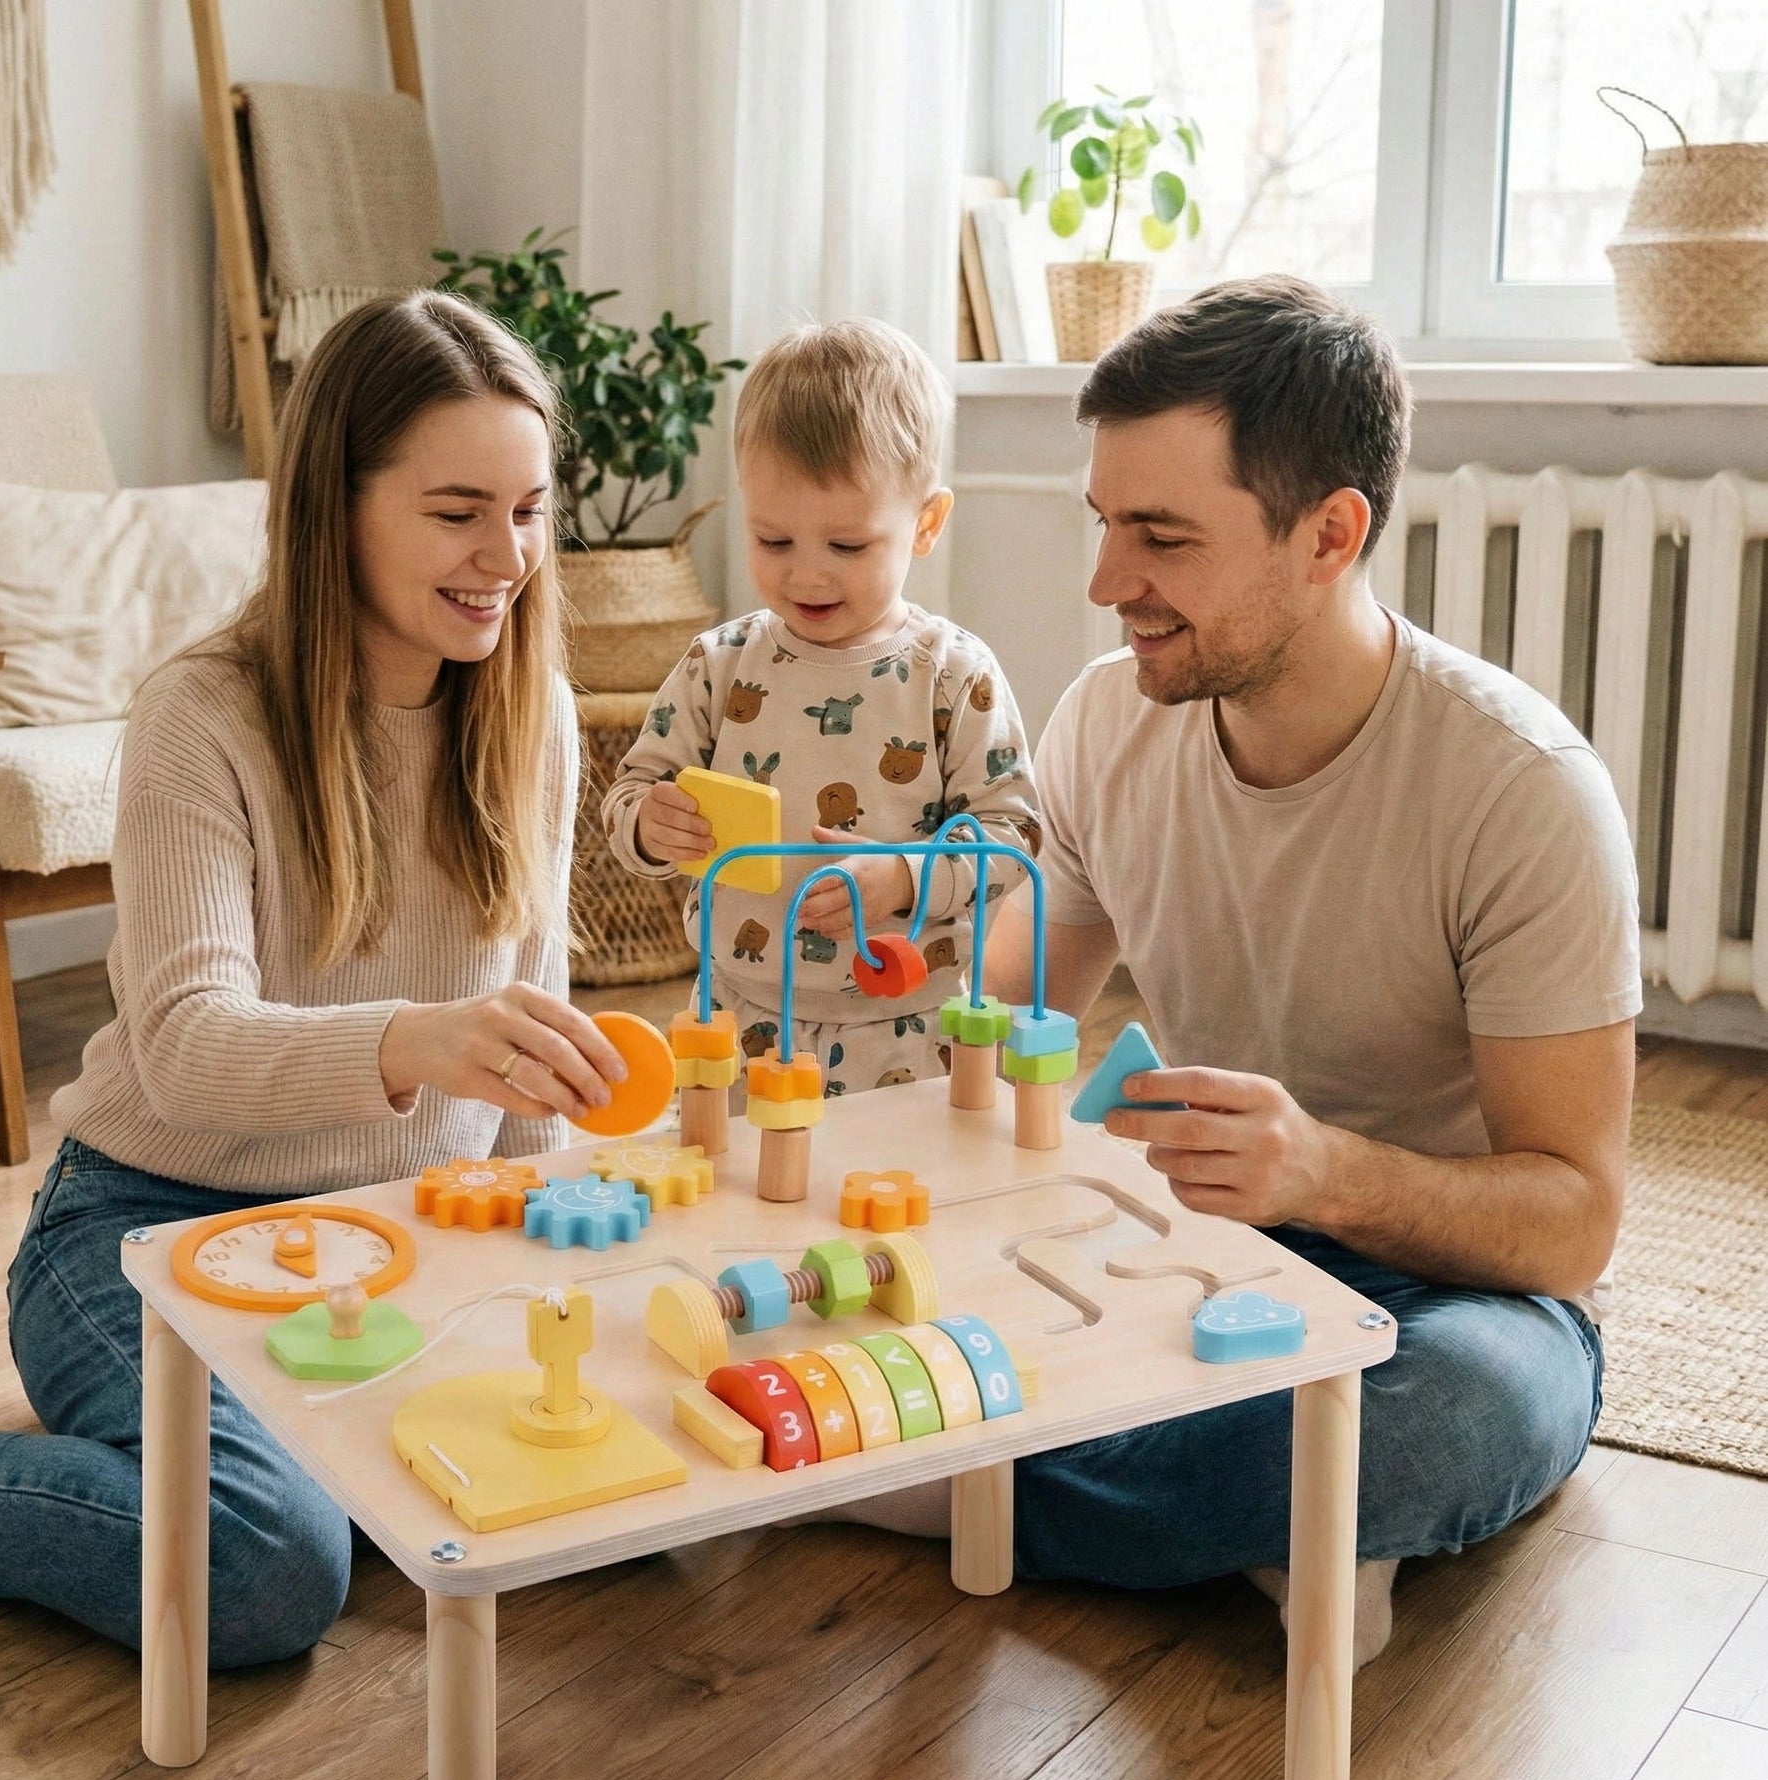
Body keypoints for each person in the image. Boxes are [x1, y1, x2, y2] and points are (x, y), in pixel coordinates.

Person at [0, 292, 625, 1665]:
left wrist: (541, 1260)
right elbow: (188, 1042)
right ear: (337, 506)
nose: (507, 557)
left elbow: (529, 1033)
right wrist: (422, 1041)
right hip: (148, 1225)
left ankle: (308, 1451)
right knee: (260, 1569)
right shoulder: (202, 714)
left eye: (531, 509)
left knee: (631, 1471)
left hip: (388, 1242)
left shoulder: (527, 709)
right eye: (456, 512)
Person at [984, 275, 1641, 1663]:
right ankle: (1275, 1521)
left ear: (1329, 533)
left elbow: (1572, 1220)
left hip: (1448, 1295)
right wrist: (905, 978)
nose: (1106, 585)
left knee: (1455, 1415)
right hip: (1194, 1251)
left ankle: (940, 1492)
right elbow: (996, 1025)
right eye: (1102, 526)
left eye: (1160, 537)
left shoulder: (1518, 789)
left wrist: (1322, 1172)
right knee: (916, 1267)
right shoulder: (1108, 720)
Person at [600, 318, 1041, 1093]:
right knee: (743, 1199)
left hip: (910, 1027)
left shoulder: (954, 674)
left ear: (926, 524)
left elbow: (1013, 838)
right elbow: (633, 790)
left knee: (901, 1199)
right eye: (774, 542)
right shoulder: (718, 665)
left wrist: (906, 877)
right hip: (738, 1016)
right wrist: (647, 821)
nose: (807, 576)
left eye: (846, 547)